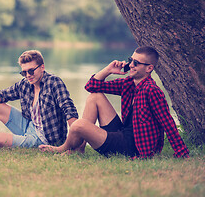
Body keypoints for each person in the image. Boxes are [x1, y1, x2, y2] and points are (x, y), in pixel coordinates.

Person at [40, 46, 189, 158]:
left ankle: (63, 148)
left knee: (78, 125)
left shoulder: (152, 91)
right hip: (124, 134)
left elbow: (167, 122)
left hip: (135, 147)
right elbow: (91, 86)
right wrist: (108, 70)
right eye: (131, 60)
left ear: (149, 68)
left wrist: (181, 152)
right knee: (95, 96)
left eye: (136, 63)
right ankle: (79, 149)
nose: (131, 65)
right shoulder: (129, 83)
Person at [0, 50, 79, 148]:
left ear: (42, 67)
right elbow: (3, 94)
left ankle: (29, 143)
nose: (28, 76)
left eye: (31, 71)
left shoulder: (54, 83)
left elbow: (69, 109)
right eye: (24, 73)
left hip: (45, 138)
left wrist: (74, 143)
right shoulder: (25, 84)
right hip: (29, 126)